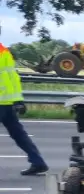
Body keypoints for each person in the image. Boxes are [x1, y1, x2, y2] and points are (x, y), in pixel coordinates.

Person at [0, 30, 48, 176]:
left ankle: (38, 162)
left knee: (18, 134)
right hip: (8, 102)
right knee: (19, 134)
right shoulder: (4, 51)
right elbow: (13, 77)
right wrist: (18, 99)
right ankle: (38, 162)